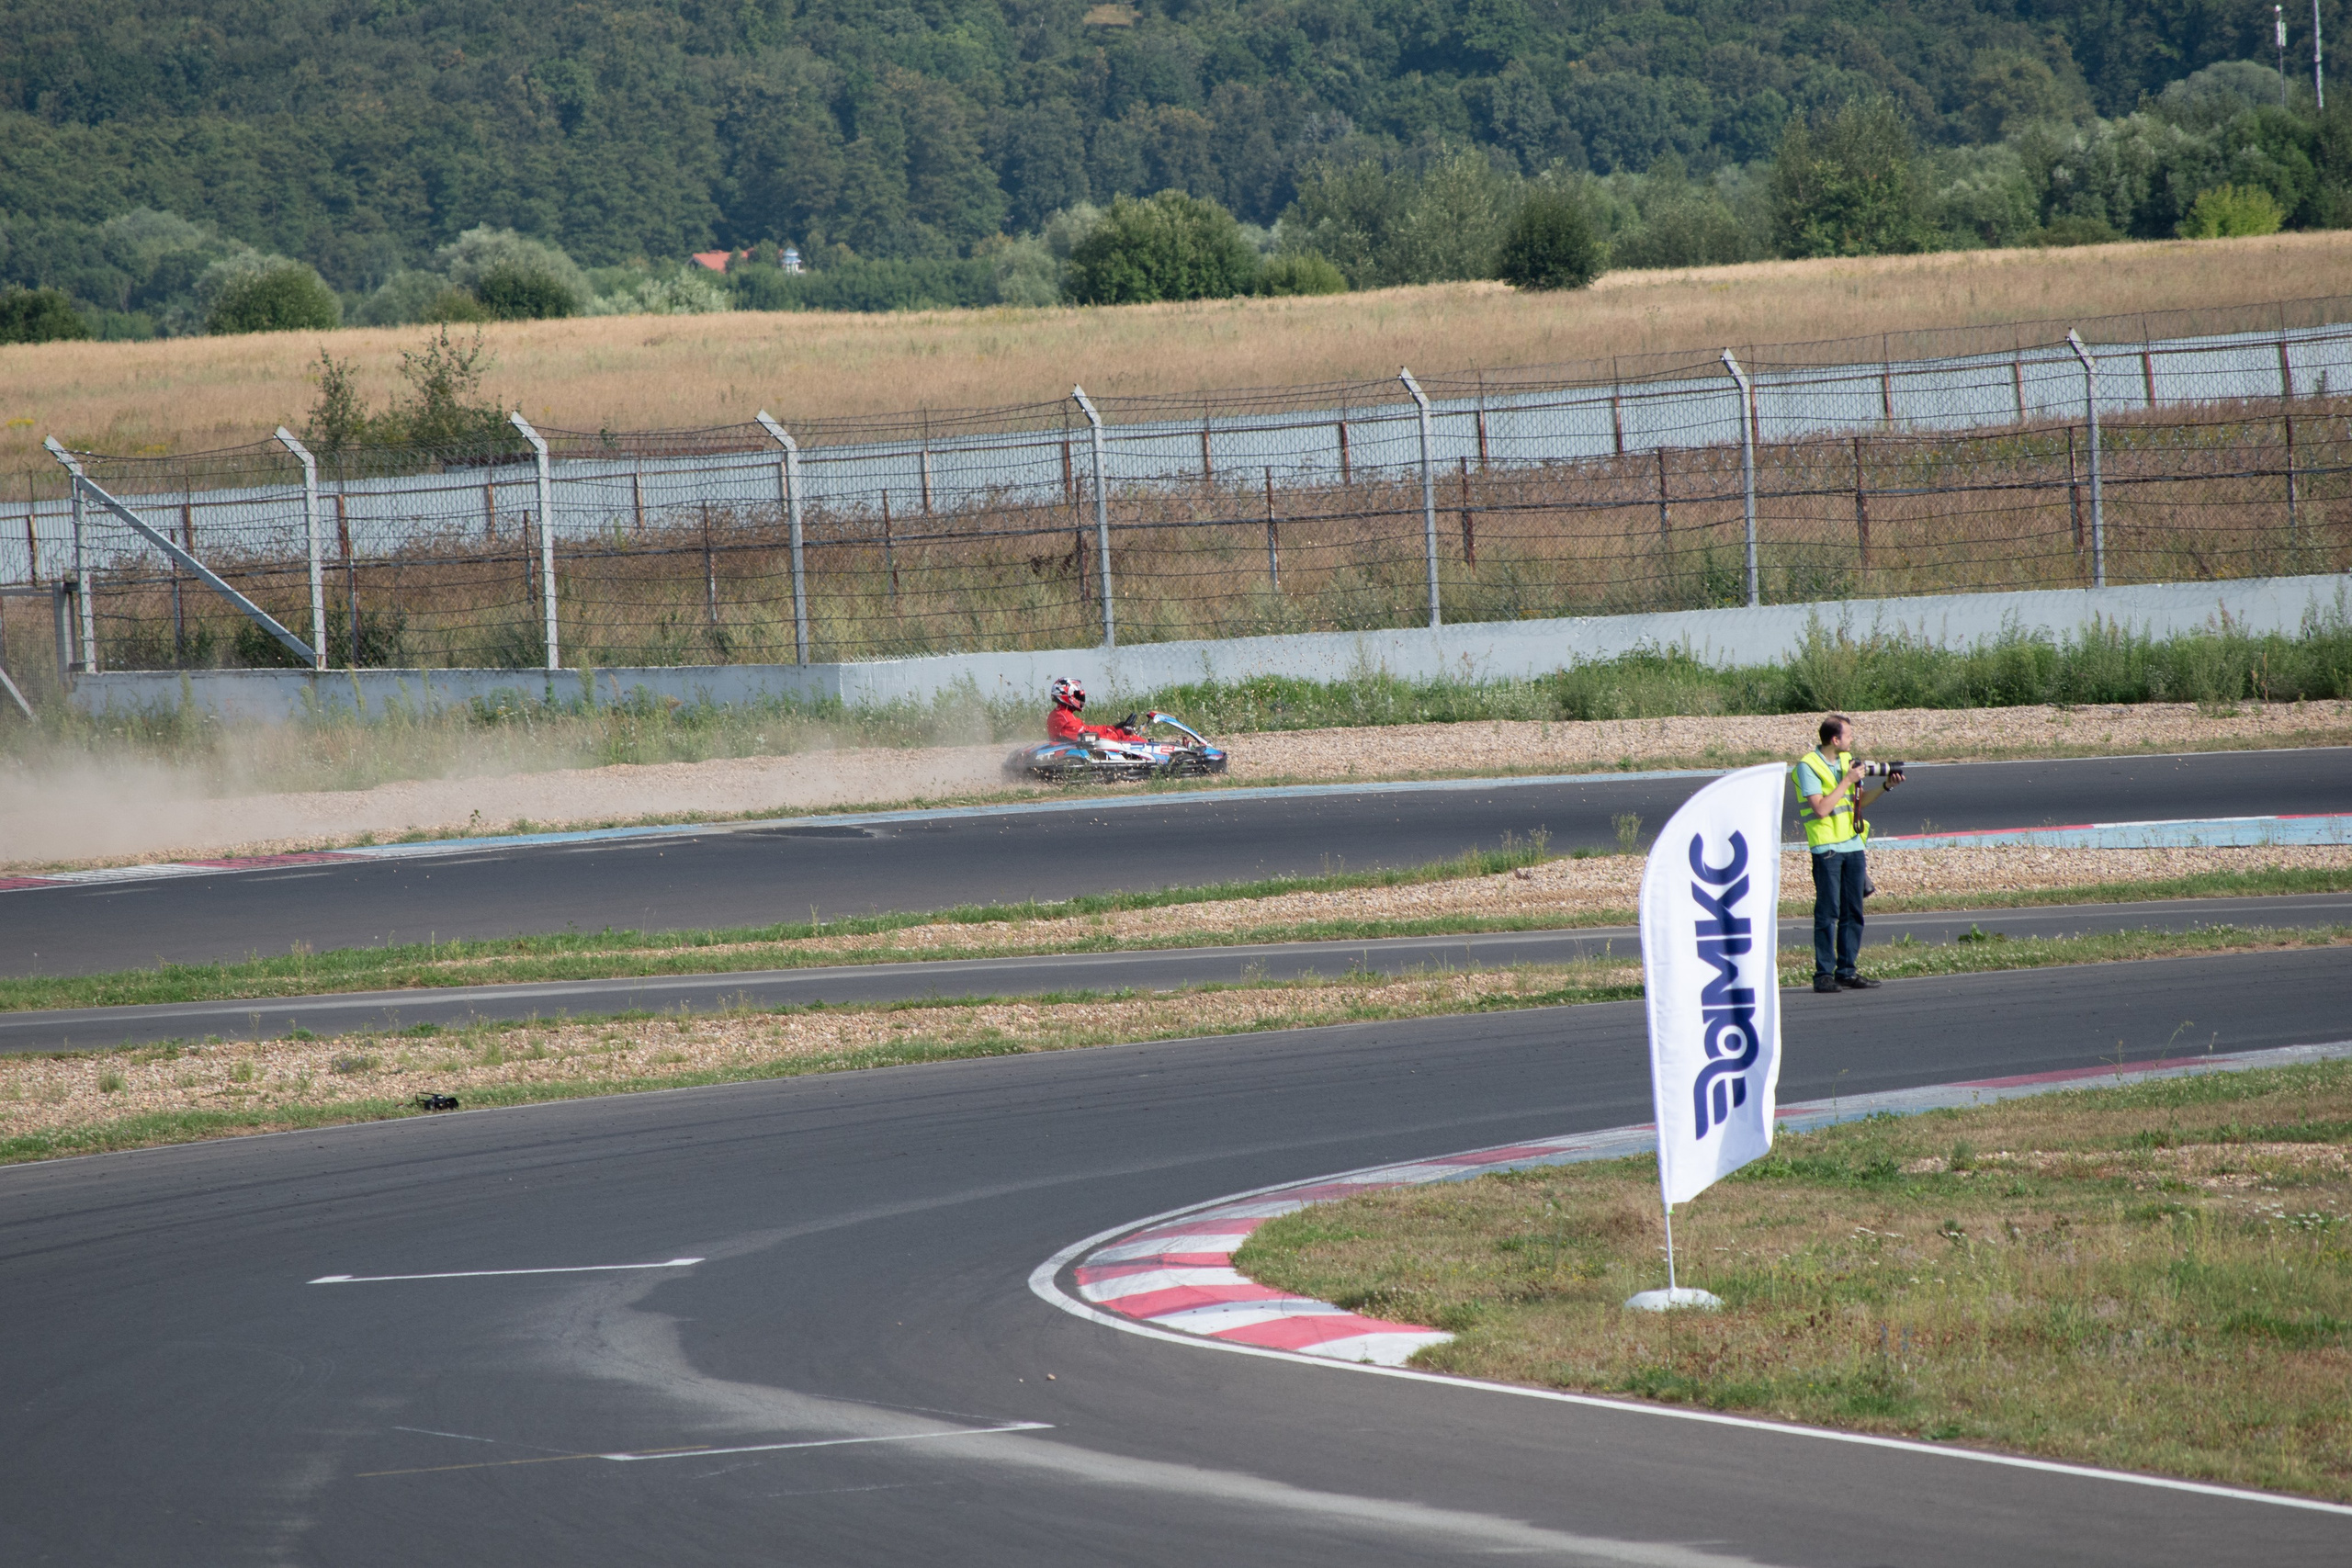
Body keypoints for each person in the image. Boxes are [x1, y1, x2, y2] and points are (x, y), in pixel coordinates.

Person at [1792, 713, 1903, 994]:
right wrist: (1847, 780)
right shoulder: (1808, 766)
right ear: (1834, 739)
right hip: (1827, 848)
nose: (1852, 739)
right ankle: (1823, 975)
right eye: (1849, 735)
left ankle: (1847, 971)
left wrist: (1886, 786)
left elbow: (1857, 802)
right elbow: (1821, 809)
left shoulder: (1846, 760)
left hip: (1853, 846)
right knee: (1828, 914)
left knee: (1853, 912)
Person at [1046, 676, 1143, 744]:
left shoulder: (1060, 714)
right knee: (1132, 740)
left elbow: (1088, 730)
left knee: (1127, 738)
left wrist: (1113, 728)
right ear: (1067, 695)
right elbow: (1093, 740)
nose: (1080, 698)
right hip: (1083, 751)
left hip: (1078, 748)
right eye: (1077, 695)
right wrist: (1120, 733)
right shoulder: (1066, 720)